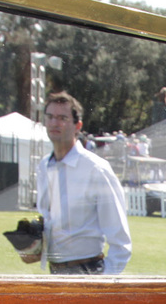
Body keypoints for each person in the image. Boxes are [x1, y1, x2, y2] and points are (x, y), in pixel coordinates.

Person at [27, 92, 132, 275]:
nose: (54, 123)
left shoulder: (95, 169)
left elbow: (120, 241)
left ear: (78, 126)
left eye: (62, 118)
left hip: (89, 272)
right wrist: (32, 247)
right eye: (50, 117)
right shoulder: (44, 166)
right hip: (54, 273)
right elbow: (51, 222)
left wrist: (101, 283)